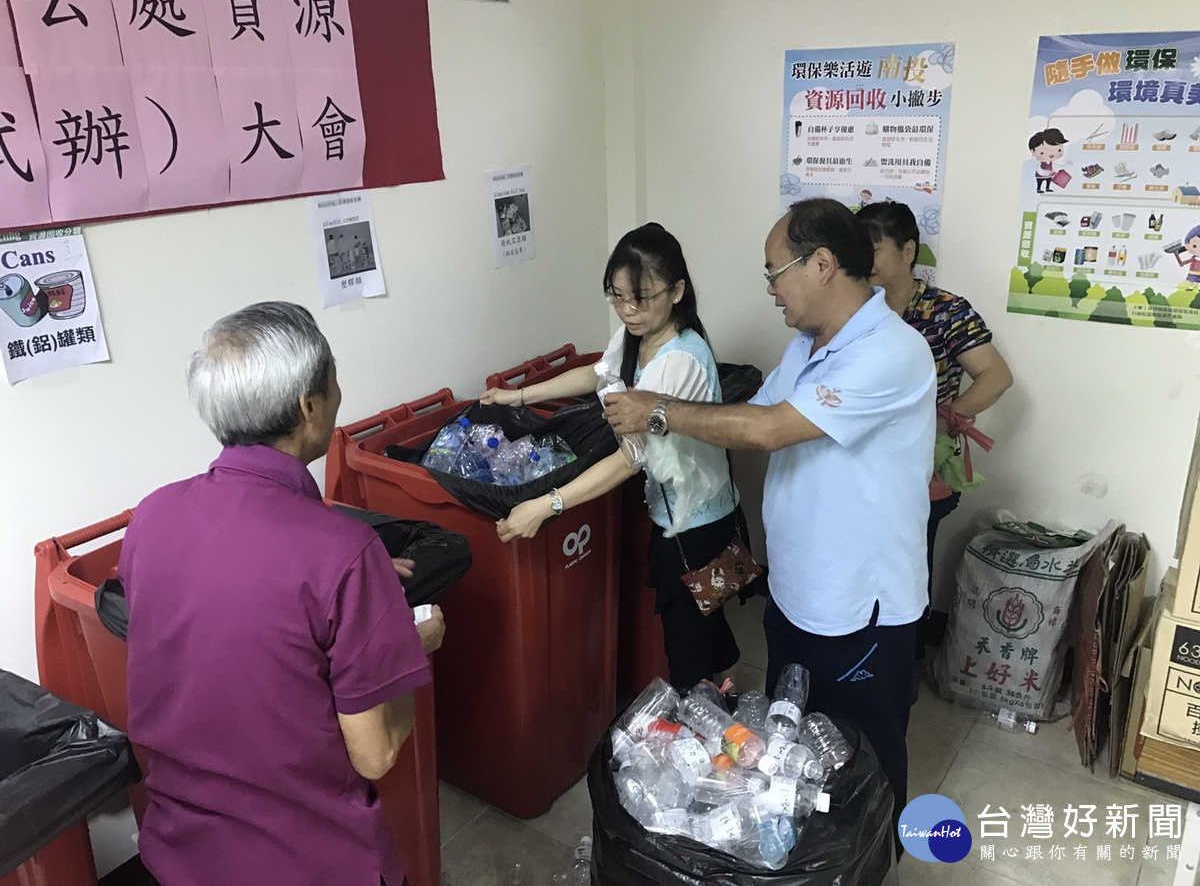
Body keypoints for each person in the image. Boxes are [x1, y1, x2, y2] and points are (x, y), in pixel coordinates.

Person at [603, 199, 935, 856]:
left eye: (774, 273)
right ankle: (815, 862)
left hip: (861, 608)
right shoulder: (809, 344)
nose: (770, 289)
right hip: (799, 595)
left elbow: (770, 429)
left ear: (821, 265)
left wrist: (661, 411)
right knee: (796, 749)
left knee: (865, 756)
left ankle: (875, 862)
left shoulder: (890, 351)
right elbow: (758, 412)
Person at [120, 301, 445, 886]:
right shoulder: (342, 552)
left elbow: (230, 612)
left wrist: (353, 590)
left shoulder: (152, 516)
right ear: (309, 405)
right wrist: (406, 645)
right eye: (334, 379)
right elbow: (375, 755)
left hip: (179, 854)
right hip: (310, 861)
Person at [481, 223, 742, 691]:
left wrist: (546, 505)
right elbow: (595, 375)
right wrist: (517, 397)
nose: (628, 310)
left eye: (640, 298)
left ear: (678, 291)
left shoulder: (679, 361)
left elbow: (630, 459)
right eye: (617, 297)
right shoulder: (637, 334)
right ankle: (728, 697)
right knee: (705, 622)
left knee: (689, 640)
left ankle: (709, 733)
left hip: (697, 523)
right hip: (673, 510)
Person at [856, 200, 1013, 654]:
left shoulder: (945, 310)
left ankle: (901, 656)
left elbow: (996, 376)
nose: (863, 262)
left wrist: (945, 419)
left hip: (921, 469)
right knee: (862, 560)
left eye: (873, 250)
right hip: (862, 463)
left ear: (908, 251)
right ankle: (860, 647)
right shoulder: (857, 310)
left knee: (907, 565)